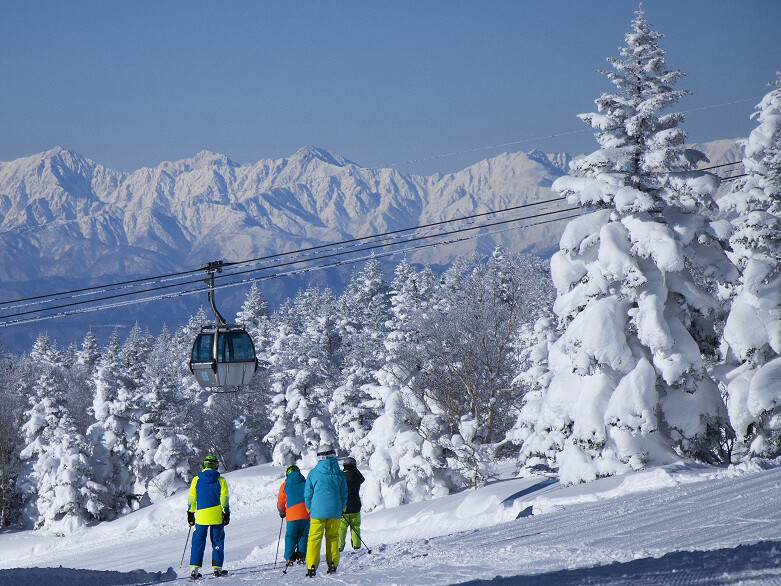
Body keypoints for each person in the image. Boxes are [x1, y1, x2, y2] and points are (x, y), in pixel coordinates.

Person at [303, 443, 347, 578]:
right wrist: (343, 507)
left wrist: (308, 507)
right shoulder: (339, 474)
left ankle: (311, 566)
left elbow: (308, 493)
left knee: (314, 539)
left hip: (317, 511)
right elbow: (344, 493)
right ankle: (332, 564)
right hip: (335, 511)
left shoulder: (313, 473)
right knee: (333, 537)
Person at [187, 454, 230, 580]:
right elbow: (224, 499)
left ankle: (194, 569)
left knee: (198, 541)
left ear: (204, 465)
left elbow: (192, 498)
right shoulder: (221, 480)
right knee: (217, 540)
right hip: (216, 515)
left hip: (201, 516)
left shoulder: (196, 480)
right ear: (216, 465)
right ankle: (217, 568)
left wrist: (190, 513)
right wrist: (226, 513)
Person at [277, 464, 310, 567]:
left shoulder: (284, 485)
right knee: (303, 536)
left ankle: (289, 557)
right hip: (305, 513)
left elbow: (280, 503)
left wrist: (282, 512)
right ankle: (302, 556)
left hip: (291, 515)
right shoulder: (305, 483)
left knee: (291, 536)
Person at [338, 457, 365, 552]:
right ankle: (357, 546)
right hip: (355, 506)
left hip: (343, 507)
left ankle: (339, 547)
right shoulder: (356, 476)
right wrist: (355, 470)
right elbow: (362, 479)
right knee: (355, 527)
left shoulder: (341, 476)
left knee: (341, 529)